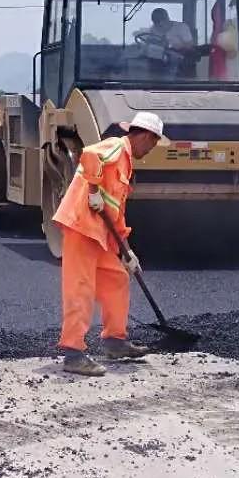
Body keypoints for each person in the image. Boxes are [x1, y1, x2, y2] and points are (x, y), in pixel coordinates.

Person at [51, 113, 166, 377]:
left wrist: (127, 250)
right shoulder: (116, 146)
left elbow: (116, 212)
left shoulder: (126, 164)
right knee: (80, 287)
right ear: (146, 136)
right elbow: (89, 154)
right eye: (152, 144)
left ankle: (115, 341)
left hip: (100, 233)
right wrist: (92, 192)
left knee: (117, 278)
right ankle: (73, 353)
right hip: (81, 226)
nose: (150, 150)